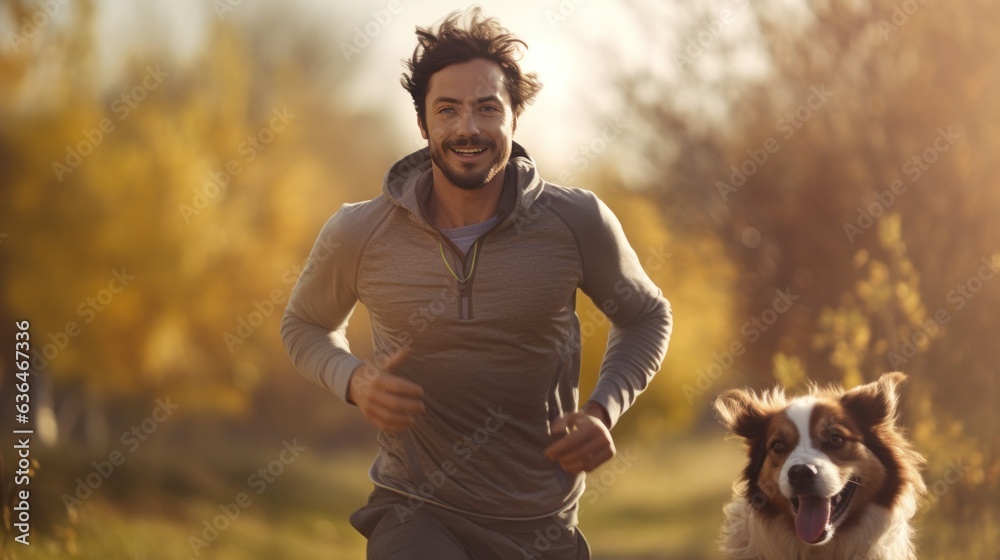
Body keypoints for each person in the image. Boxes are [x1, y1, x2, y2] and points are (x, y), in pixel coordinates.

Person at [281, 8, 671, 559]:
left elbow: (646, 315)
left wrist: (604, 408)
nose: (467, 128)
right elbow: (304, 325)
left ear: (515, 117)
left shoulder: (577, 221)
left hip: (540, 522)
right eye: (448, 110)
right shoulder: (360, 231)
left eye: (488, 108)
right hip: (414, 510)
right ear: (423, 123)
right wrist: (354, 379)